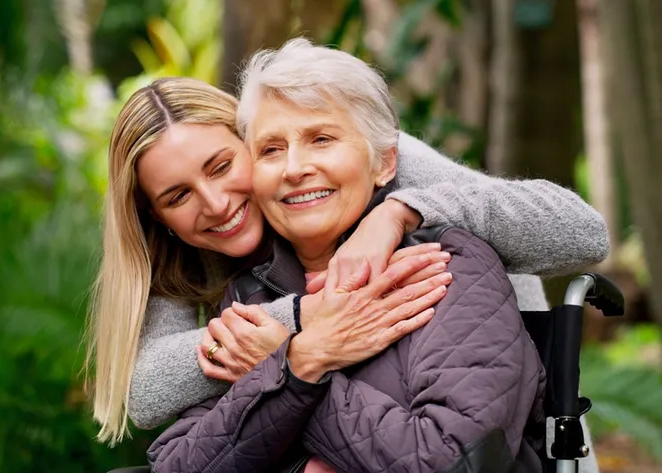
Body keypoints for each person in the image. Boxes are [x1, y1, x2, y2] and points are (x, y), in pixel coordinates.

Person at [88, 51, 607, 471]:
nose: (217, 202)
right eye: (178, 196)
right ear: (155, 216)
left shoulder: (388, 171)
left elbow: (583, 232)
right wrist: (300, 334)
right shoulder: (237, 282)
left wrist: (400, 212)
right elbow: (150, 394)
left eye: (222, 166)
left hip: (489, 375)